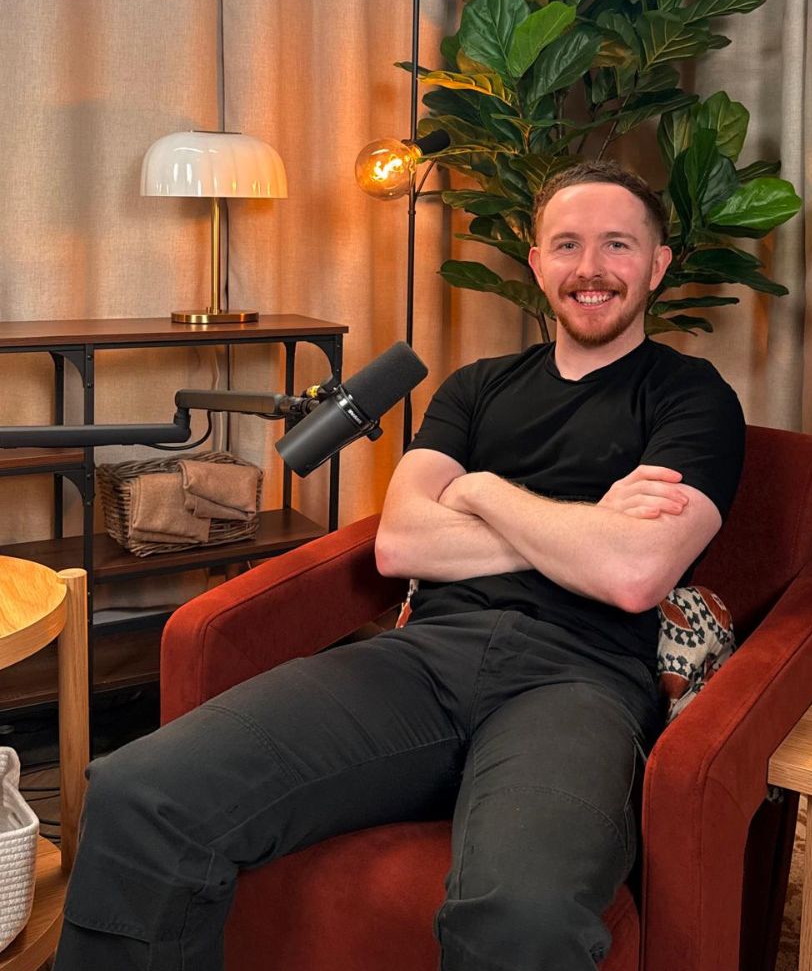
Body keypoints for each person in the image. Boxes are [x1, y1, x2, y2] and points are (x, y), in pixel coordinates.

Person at [53, 160, 745, 971]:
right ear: (536, 263)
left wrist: (479, 490)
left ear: (657, 264)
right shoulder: (476, 389)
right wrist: (589, 528)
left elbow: (633, 576)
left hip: (580, 680)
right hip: (423, 660)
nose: (590, 268)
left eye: (617, 245)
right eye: (567, 245)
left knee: (523, 916)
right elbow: (401, 543)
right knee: (140, 794)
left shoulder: (693, 398)